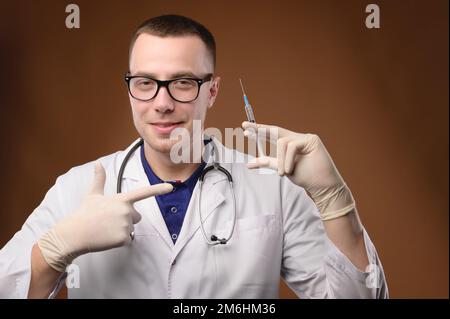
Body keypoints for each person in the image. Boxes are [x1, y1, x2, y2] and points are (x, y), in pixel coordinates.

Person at [0, 14, 388, 299]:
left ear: (213, 91)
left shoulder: (274, 187)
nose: (162, 103)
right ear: (130, 87)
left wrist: (338, 205)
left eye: (183, 83)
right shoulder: (77, 189)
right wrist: (55, 248)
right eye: (145, 83)